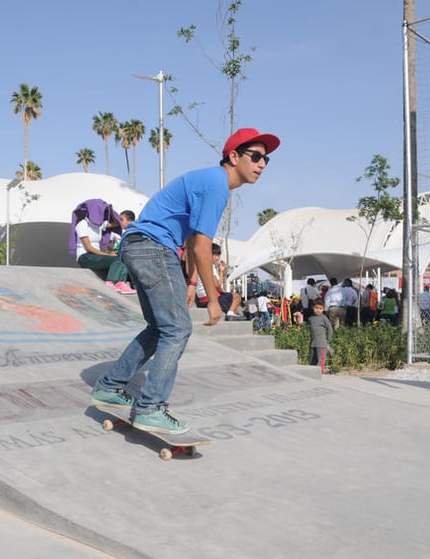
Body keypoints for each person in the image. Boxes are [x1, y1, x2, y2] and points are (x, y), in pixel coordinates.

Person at [91, 127, 280, 435]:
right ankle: (150, 407)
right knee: (178, 329)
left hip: (139, 246)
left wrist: (191, 283)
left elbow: (193, 240)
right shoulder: (217, 186)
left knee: (160, 328)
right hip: (153, 248)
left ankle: (110, 387)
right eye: (255, 156)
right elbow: (203, 247)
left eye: (266, 160)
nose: (261, 165)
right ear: (233, 157)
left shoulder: (209, 182)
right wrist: (216, 299)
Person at [70, 199, 135, 294]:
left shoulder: (99, 225)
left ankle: (125, 283)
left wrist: (109, 210)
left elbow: (117, 223)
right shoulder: (82, 224)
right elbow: (88, 248)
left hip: (95, 256)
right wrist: (107, 255)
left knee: (122, 258)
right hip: (85, 257)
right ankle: (111, 282)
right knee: (116, 259)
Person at [195, 243, 245, 320]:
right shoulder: (209, 266)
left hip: (202, 299)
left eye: (218, 255)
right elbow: (217, 285)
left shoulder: (201, 264)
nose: (217, 258)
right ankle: (230, 314)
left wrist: (221, 271)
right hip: (210, 298)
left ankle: (231, 313)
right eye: (216, 255)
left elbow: (217, 283)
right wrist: (223, 291)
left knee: (234, 306)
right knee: (237, 297)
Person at [307, 298, 333, 374]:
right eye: (316, 308)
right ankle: (312, 374)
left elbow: (330, 329)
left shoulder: (324, 318)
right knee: (312, 360)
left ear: (323, 309)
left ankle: (319, 374)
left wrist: (327, 340)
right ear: (313, 307)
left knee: (320, 360)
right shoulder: (310, 318)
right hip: (313, 343)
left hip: (321, 343)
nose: (318, 310)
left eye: (320, 308)